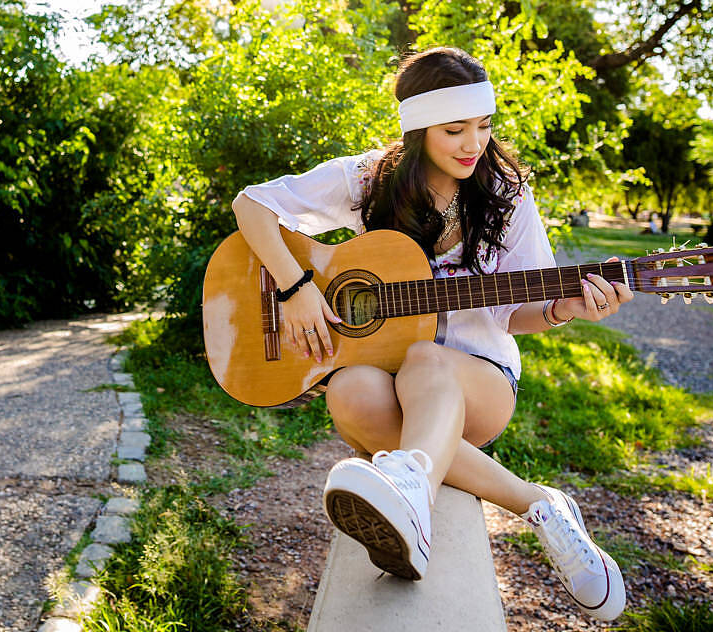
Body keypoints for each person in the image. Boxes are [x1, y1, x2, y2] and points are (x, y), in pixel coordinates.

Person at [230, 46, 634, 622]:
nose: (474, 144)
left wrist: (565, 308)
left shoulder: (507, 196)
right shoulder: (370, 180)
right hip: (390, 380)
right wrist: (296, 290)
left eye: (484, 126)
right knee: (348, 391)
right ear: (419, 131)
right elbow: (253, 206)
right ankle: (538, 503)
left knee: (429, 357)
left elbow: (514, 314)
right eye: (455, 129)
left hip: (478, 383)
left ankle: (410, 492)